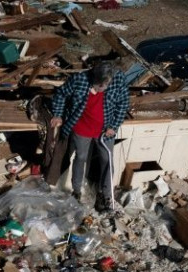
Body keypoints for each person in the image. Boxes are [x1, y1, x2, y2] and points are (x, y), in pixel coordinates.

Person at [50, 61, 129, 211]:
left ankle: (105, 194)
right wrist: (58, 114)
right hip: (82, 126)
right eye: (98, 85)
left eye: (104, 86)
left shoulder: (118, 80)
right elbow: (60, 94)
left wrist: (114, 125)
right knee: (81, 157)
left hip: (105, 129)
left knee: (107, 159)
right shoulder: (80, 79)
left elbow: (123, 104)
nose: (100, 89)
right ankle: (77, 191)